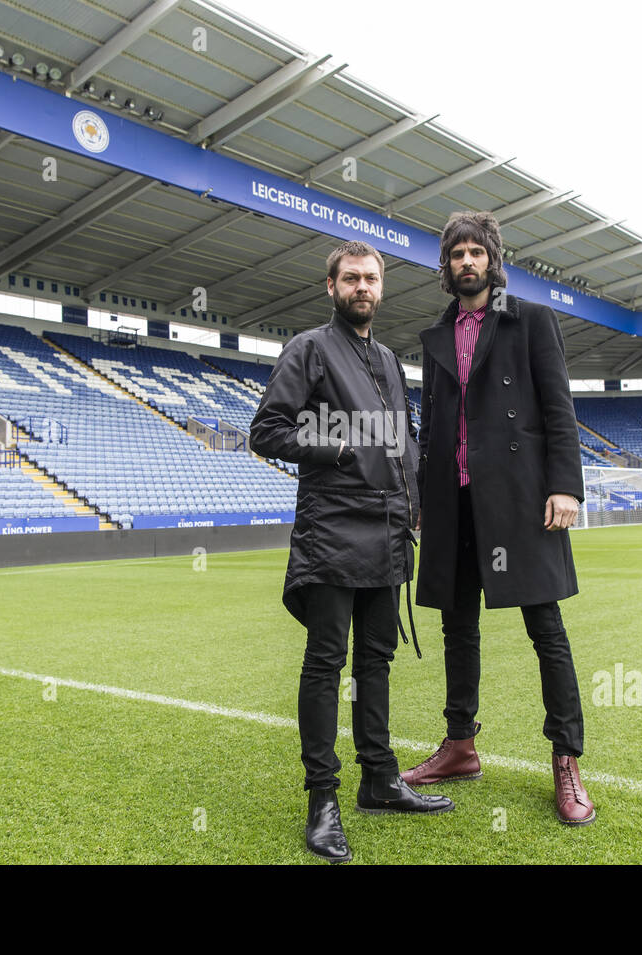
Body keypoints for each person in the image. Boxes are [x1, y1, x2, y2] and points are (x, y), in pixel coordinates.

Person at [250, 239, 454, 864]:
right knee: (325, 662)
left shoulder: (390, 360)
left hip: (389, 530)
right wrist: (338, 447)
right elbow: (267, 431)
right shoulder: (308, 349)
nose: (362, 287)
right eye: (351, 279)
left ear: (381, 288)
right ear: (331, 287)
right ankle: (323, 800)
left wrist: (417, 504)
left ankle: (379, 779)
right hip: (332, 529)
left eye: (371, 279)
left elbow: (406, 441)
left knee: (376, 661)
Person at [406, 211, 595, 825]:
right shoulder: (435, 336)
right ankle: (460, 744)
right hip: (452, 501)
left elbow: (558, 408)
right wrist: (420, 500)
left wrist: (565, 485)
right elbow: (430, 428)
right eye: (456, 253)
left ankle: (566, 760)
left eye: (475, 252)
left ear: (492, 259)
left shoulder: (532, 321)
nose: (466, 262)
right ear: (446, 266)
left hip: (519, 497)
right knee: (457, 626)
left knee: (546, 627)